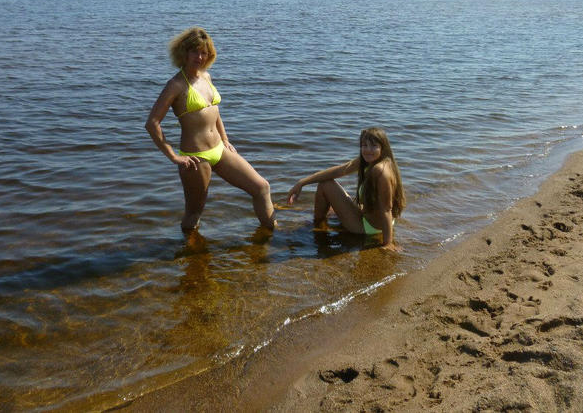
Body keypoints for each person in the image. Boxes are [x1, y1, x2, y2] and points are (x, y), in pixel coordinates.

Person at [146, 27, 276, 236]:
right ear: (184, 53)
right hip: (196, 158)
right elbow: (152, 123)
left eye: (204, 52)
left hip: (219, 149)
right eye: (195, 52)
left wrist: (225, 139)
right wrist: (173, 156)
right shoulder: (176, 85)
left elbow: (214, 111)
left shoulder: (206, 77)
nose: (200, 57)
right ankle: (191, 258)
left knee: (261, 187)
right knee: (194, 213)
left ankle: (271, 239)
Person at [286, 127, 405, 251]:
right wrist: (301, 183)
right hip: (371, 218)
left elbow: (386, 208)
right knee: (330, 200)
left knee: (325, 185)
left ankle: (317, 225)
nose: (368, 150)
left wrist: (387, 243)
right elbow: (340, 170)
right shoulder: (371, 162)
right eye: (364, 145)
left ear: (383, 147)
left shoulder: (379, 170)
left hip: (369, 227)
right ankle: (322, 221)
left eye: (373, 146)